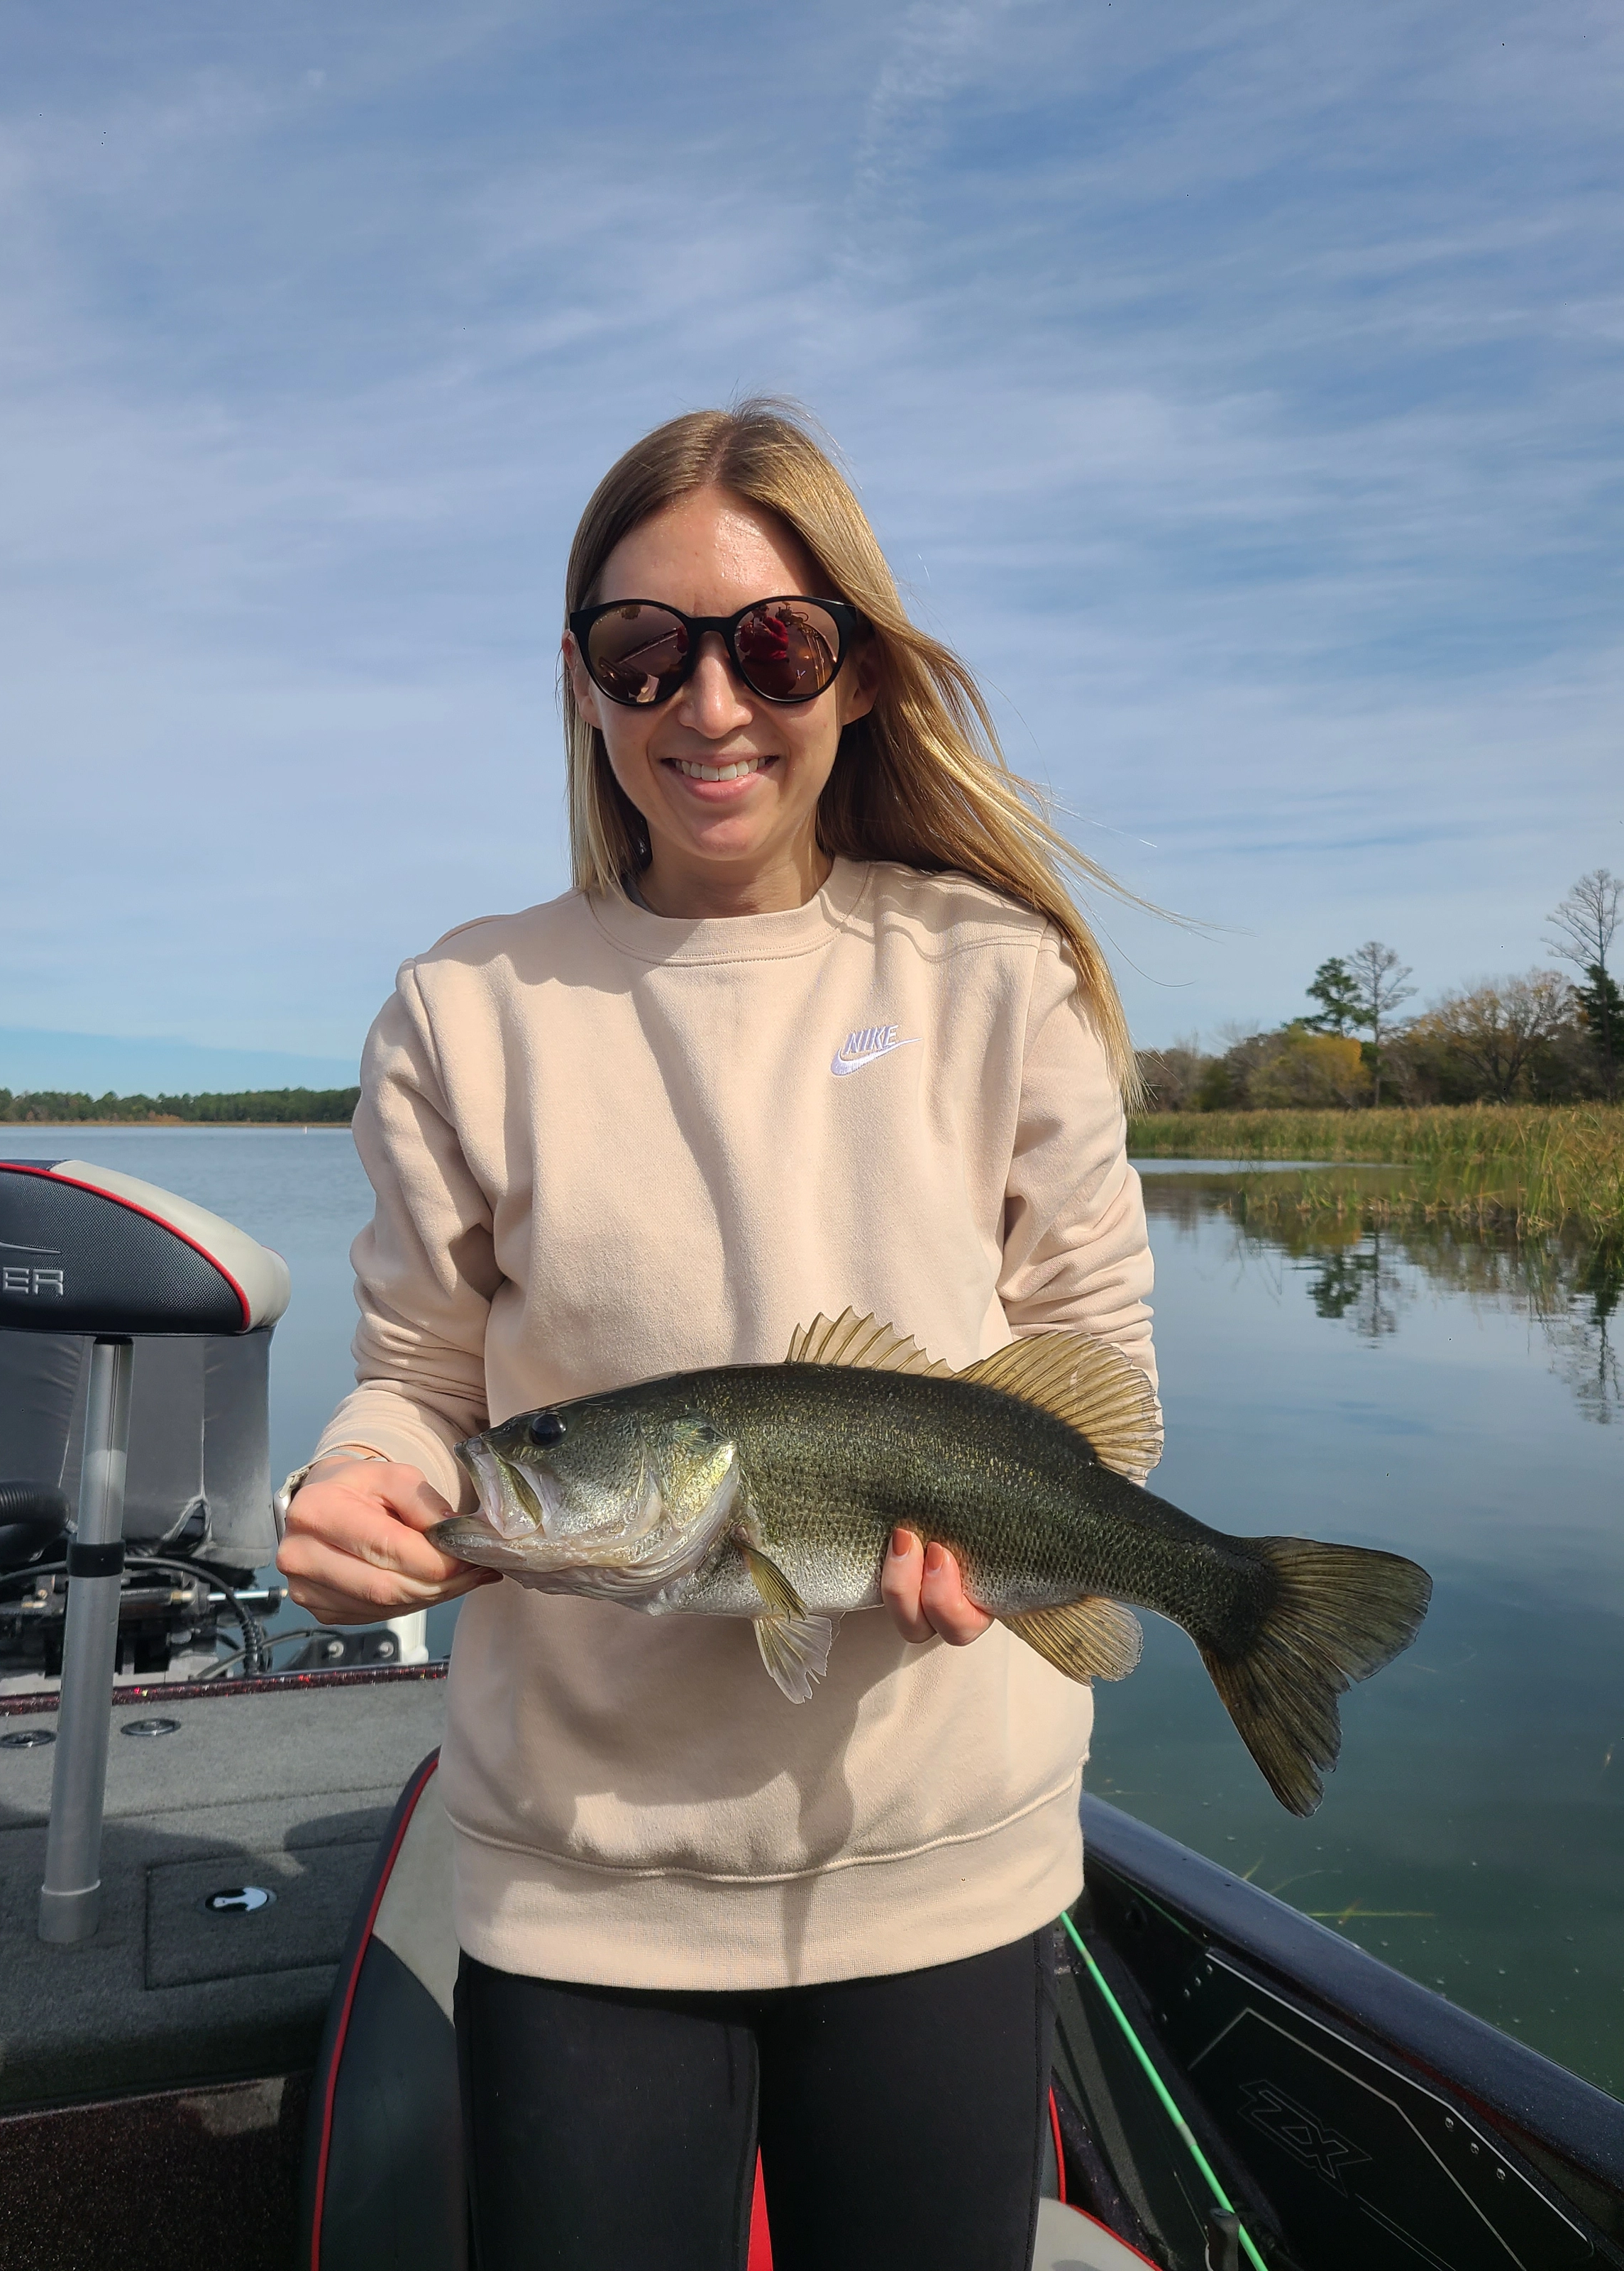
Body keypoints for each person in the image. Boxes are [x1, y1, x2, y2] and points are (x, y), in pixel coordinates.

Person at [277, 402, 1157, 2271]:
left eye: (773, 643)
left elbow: (1101, 1380)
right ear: (584, 687)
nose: (710, 704)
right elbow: (425, 1377)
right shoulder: (466, 1007)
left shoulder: (997, 979)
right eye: (640, 650)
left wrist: (1017, 1558)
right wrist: (368, 1475)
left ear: (856, 672)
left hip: (942, 1852)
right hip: (584, 1879)